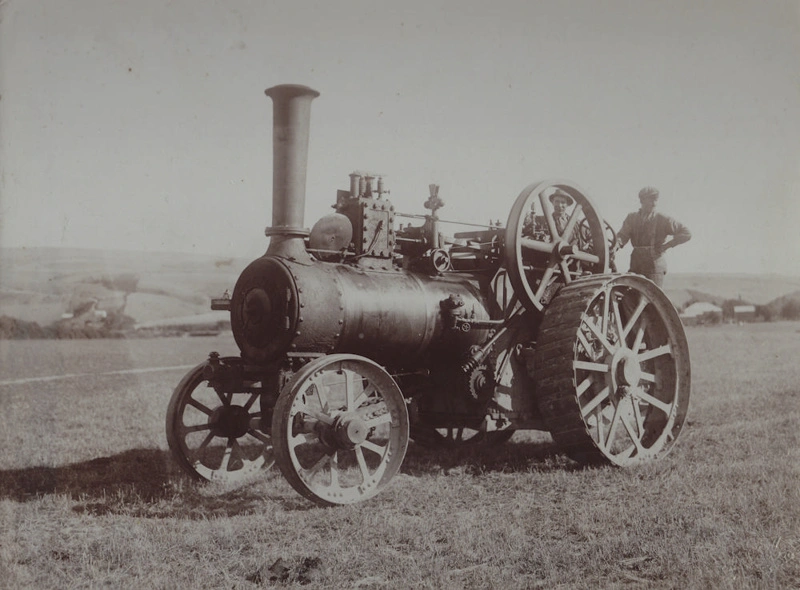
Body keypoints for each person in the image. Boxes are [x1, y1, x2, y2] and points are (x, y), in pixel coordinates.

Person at [615, 186, 691, 287]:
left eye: (656, 200)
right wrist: (615, 246)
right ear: (642, 200)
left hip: (655, 266)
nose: (654, 203)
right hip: (636, 264)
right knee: (631, 298)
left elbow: (686, 233)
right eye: (651, 200)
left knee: (652, 299)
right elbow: (622, 236)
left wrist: (666, 246)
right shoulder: (632, 218)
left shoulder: (663, 219)